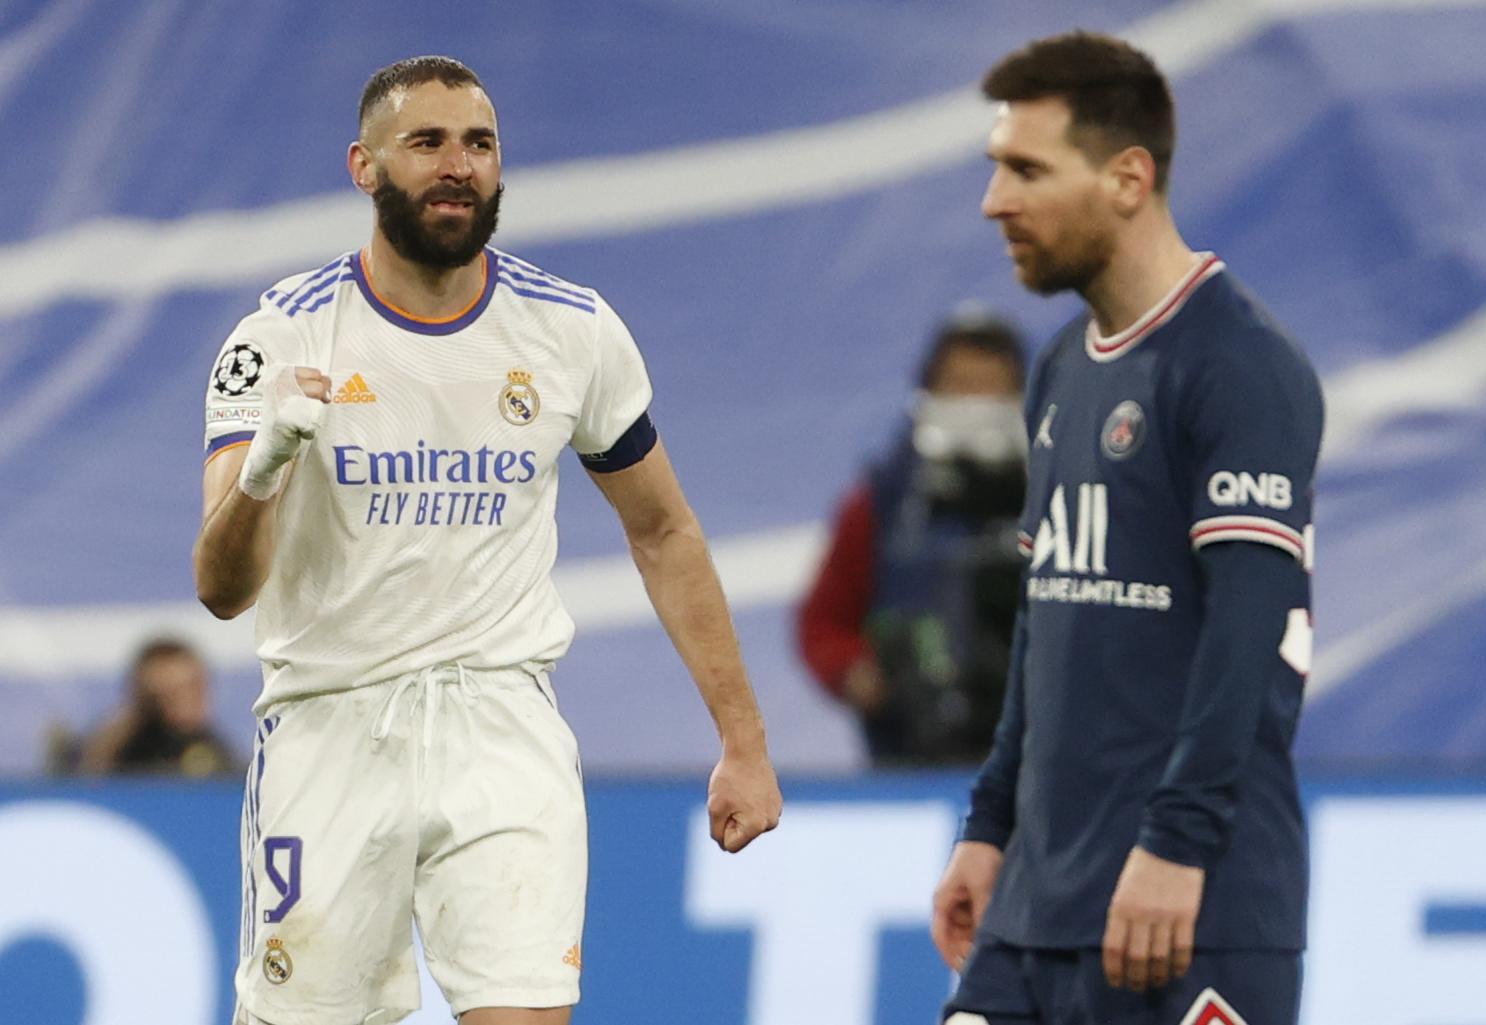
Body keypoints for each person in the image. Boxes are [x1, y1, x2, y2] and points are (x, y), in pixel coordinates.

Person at [193, 56, 781, 1025]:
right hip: (332, 725)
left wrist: (743, 740)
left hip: (501, 724)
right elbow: (222, 589)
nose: (457, 165)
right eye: (426, 142)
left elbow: (664, 529)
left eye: (479, 143)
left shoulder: (570, 329)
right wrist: (266, 467)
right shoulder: (282, 338)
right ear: (364, 167)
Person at [930, 32, 1323, 1025]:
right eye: (996, 168)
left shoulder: (1240, 364)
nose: (995, 201)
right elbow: (1045, 624)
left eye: (1026, 170)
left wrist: (1177, 844)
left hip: (1188, 909)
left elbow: (1246, 632)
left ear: (1128, 178)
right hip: (1036, 908)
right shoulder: (1063, 366)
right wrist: (990, 823)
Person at [796, 308, 1028, 765]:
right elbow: (823, 622)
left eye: (991, 386)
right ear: (930, 388)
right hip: (914, 755)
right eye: (961, 385)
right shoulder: (883, 501)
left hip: (1039, 756)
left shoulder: (1062, 494)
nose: (976, 403)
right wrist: (859, 674)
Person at [74, 637, 239, 776]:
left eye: (194, 686)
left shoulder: (214, 751)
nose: (188, 699)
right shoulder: (125, 751)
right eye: (173, 692)